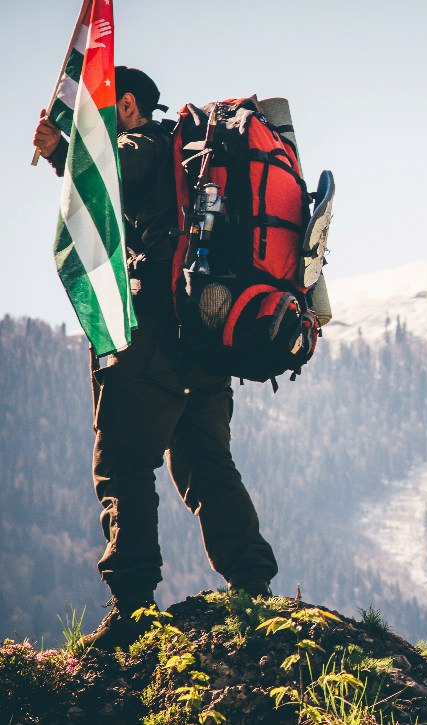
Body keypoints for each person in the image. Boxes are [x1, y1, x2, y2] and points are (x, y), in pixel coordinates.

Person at [33, 67, 278, 651]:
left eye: (102, 108)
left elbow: (103, 181)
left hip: (150, 343)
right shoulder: (190, 166)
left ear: (128, 106)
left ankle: (135, 606)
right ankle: (253, 585)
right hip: (205, 344)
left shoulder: (138, 145)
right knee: (208, 466)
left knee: (123, 463)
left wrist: (59, 150)